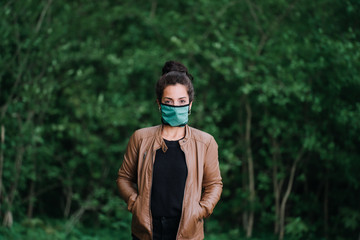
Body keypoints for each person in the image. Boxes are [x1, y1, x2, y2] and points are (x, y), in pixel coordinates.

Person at [116, 61, 222, 240]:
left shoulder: (205, 142)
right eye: (169, 102)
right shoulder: (141, 138)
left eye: (181, 101)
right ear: (159, 104)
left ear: (190, 104)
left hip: (187, 231)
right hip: (146, 231)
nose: (175, 107)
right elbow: (124, 178)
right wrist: (135, 203)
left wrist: (201, 210)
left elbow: (214, 184)